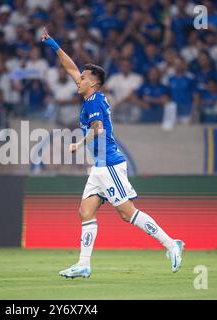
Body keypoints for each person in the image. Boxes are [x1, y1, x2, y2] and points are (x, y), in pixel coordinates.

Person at [42, 27, 184, 279]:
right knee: (85, 212)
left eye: (83, 78)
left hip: (109, 164)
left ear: (93, 82)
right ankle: (83, 264)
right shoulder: (90, 95)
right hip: (99, 166)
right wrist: (53, 44)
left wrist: (78, 143)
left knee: (126, 213)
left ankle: (171, 244)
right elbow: (70, 67)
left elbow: (97, 129)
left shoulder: (95, 101)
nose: (79, 79)